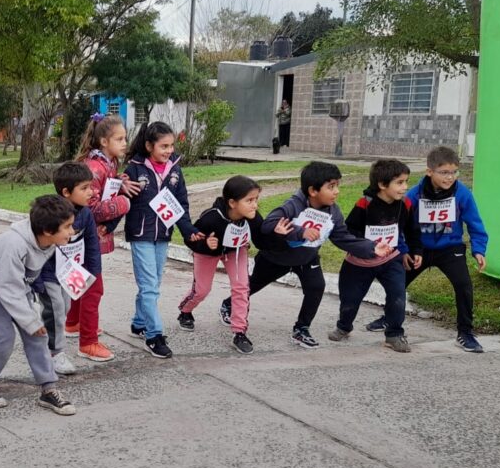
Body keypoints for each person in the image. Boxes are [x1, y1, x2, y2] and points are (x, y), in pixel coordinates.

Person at [224, 161, 390, 348]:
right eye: (331, 187)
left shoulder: (333, 212)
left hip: (307, 258)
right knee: (253, 285)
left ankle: (301, 329)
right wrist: (300, 231)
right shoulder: (293, 205)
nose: (337, 191)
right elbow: (268, 224)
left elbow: (342, 237)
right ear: (313, 191)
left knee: (316, 287)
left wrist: (371, 247)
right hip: (277, 257)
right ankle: (229, 304)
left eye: (338, 186)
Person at [366, 146, 489, 352]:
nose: (450, 177)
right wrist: (405, 251)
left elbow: (475, 223)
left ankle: (465, 332)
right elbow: (401, 226)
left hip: (450, 249)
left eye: (454, 172)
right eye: (444, 172)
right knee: (397, 284)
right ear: (429, 171)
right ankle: (389, 319)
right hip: (418, 249)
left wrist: (479, 250)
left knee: (464, 286)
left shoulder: (463, 194)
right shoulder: (414, 195)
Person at [0, 195, 77, 415]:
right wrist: (30, 320)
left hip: (17, 287)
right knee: (4, 338)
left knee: (38, 335)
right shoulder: (14, 243)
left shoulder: (48, 241)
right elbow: (5, 287)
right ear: (47, 230)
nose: (72, 231)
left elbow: (26, 277)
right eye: (67, 227)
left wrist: (34, 315)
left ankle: (48, 389)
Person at [178, 176, 292, 354]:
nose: (255, 205)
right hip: (208, 252)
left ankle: (239, 331)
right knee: (202, 290)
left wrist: (278, 235)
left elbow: (262, 242)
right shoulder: (211, 218)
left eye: (256, 199)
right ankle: (185, 311)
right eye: (249, 200)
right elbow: (191, 239)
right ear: (232, 202)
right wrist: (205, 244)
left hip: (236, 251)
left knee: (241, 287)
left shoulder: (253, 218)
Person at [123, 122, 204, 359]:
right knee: (149, 286)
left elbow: (181, 203)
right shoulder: (135, 169)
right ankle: (154, 334)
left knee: (153, 283)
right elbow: (122, 198)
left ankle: (139, 322)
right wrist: (121, 188)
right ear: (149, 146)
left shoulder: (175, 169)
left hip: (163, 235)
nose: (169, 150)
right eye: (163, 146)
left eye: (171, 145)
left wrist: (188, 229)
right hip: (141, 235)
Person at [328, 159, 421, 353]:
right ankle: (344, 326)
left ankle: (394, 334)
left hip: (390, 259)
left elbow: (411, 230)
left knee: (397, 295)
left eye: (406, 182)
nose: (405, 187)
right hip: (360, 262)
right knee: (350, 299)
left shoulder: (405, 203)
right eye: (400, 182)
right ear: (382, 184)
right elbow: (350, 230)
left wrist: (414, 251)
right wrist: (368, 246)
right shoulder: (365, 204)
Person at [67, 113, 137, 362]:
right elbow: (92, 207)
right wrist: (123, 203)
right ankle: (88, 342)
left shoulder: (107, 164)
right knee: (93, 288)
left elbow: (107, 188)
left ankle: (73, 322)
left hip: (84, 236)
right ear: (104, 142)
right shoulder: (95, 168)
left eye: (125, 138)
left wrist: (120, 182)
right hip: (86, 236)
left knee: (81, 282)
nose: (125, 143)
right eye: (119, 139)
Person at [35, 163, 101, 375]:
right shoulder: (51, 214)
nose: (91, 192)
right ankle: (55, 353)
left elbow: (91, 243)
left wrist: (92, 271)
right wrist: (35, 279)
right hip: (47, 273)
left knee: (63, 307)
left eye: (90, 186)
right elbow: (35, 247)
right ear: (66, 192)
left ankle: (44, 329)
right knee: (55, 307)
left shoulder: (86, 214)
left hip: (69, 272)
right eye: (84, 188)